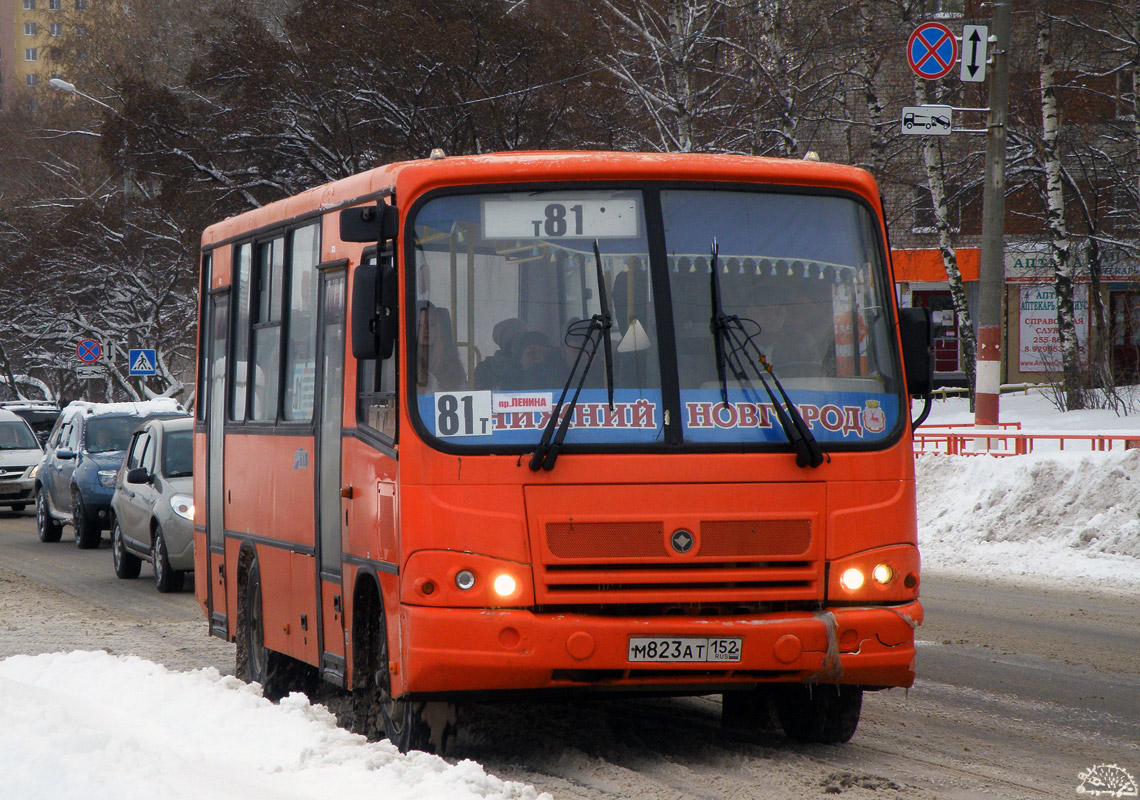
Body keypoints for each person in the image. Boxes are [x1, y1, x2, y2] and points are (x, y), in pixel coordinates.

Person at [416, 303, 467, 391]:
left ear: (438, 328)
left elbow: (463, 392)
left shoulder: (453, 364)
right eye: (420, 325)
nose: (426, 330)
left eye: (431, 324)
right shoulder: (403, 364)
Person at [473, 317, 526, 390]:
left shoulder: (533, 365)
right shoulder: (484, 369)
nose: (525, 344)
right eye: (519, 339)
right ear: (506, 342)